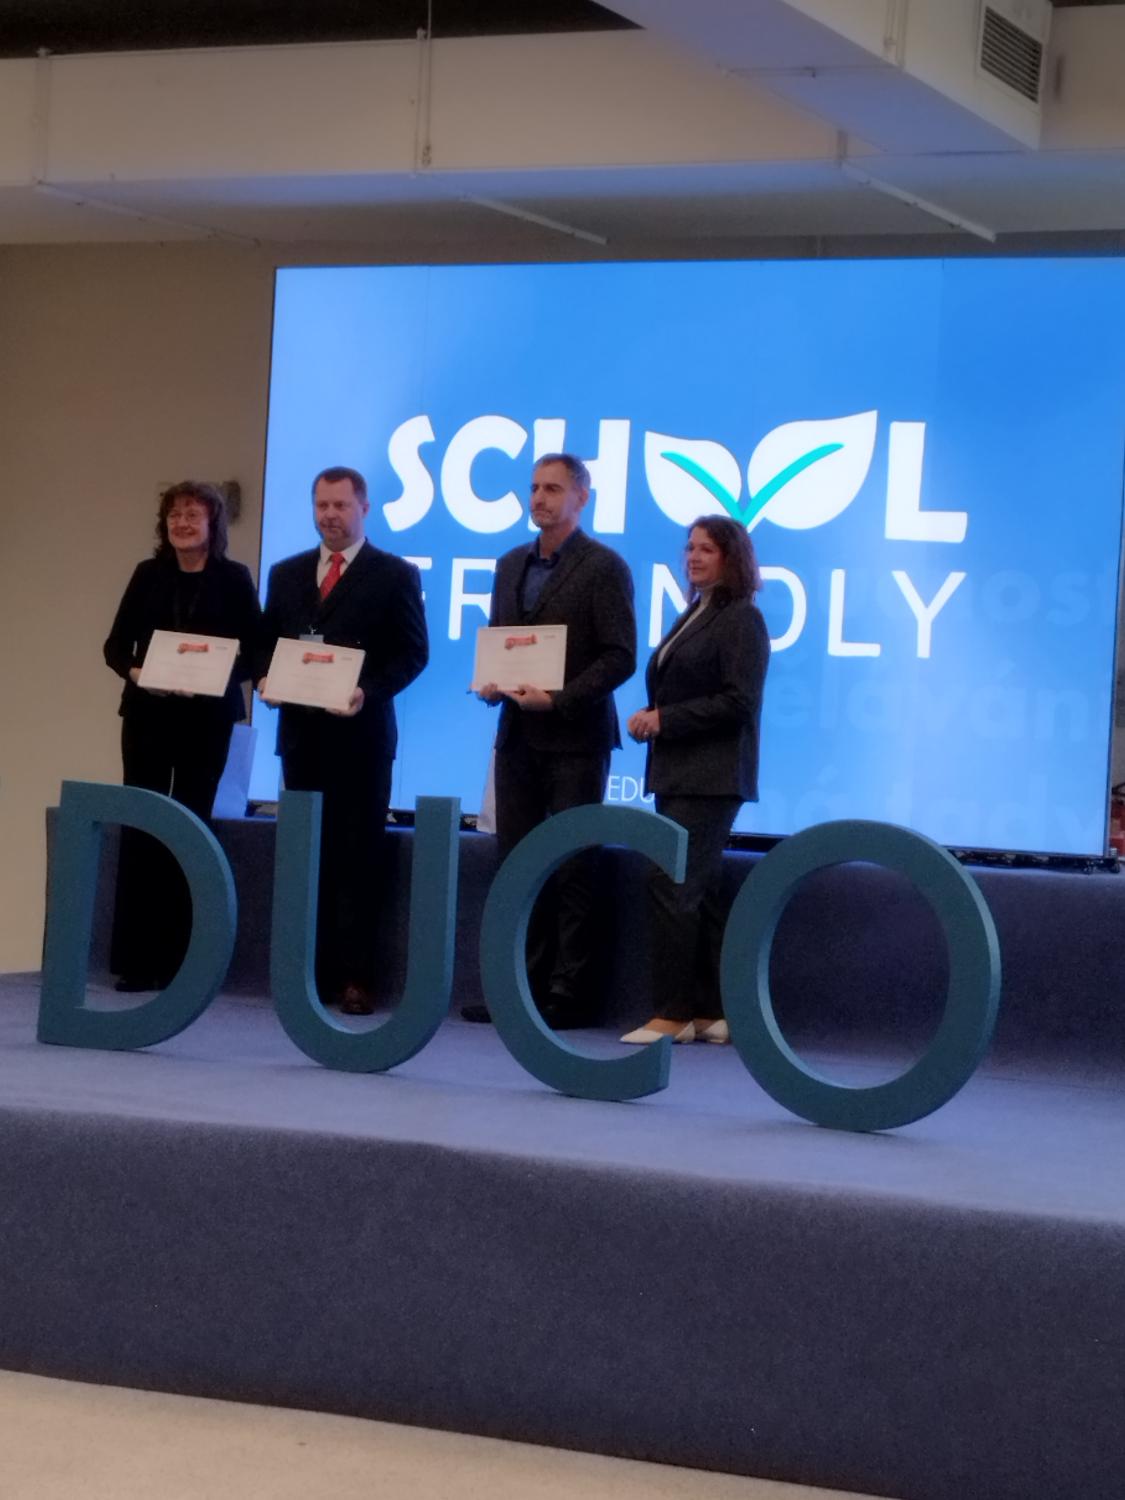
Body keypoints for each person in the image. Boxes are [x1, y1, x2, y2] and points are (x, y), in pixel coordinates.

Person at [462, 454, 636, 1030]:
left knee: (571, 867)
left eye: (553, 489)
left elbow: (620, 656)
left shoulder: (604, 566)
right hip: (516, 735)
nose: (539, 498)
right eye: (535, 487)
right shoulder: (510, 562)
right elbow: (504, 642)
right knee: (516, 865)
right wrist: (492, 683)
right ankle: (518, 990)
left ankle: (569, 994)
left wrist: (558, 700)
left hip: (576, 739)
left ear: (581, 498)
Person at [258, 465, 428, 1015]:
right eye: (321, 505)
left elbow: (413, 653)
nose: (329, 515)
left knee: (358, 858)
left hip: (362, 739)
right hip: (302, 739)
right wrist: (264, 678)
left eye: (340, 505)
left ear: (364, 508)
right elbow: (264, 645)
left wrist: (365, 691)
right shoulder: (286, 574)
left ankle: (356, 978)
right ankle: (309, 974)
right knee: (308, 857)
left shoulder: (394, 574)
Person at [104, 480, 262, 992]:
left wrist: (213, 677)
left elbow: (256, 653)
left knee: (193, 828)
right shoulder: (147, 575)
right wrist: (139, 673)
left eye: (193, 515)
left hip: (206, 721)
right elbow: (114, 647)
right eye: (174, 515)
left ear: (213, 524)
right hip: (148, 716)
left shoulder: (234, 579)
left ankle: (183, 960)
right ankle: (137, 959)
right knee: (144, 824)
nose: (182, 524)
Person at [622, 515, 770, 1045]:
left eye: (706, 549)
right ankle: (710, 1012)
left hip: (711, 775)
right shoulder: (697, 612)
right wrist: (656, 717)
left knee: (672, 885)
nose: (693, 557)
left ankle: (673, 1014)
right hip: (679, 772)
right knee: (699, 891)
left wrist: (665, 719)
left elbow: (738, 702)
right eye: (689, 548)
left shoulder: (742, 619)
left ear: (732, 557)